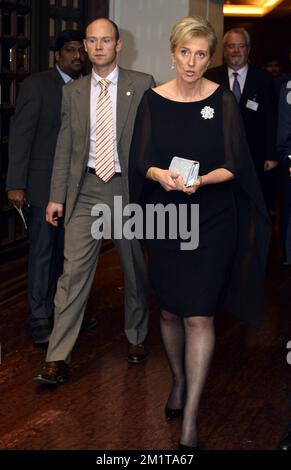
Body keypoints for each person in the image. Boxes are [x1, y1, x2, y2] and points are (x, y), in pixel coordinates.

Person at [129, 16, 270, 450]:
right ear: (173, 53)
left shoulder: (222, 100)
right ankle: (177, 381)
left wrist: (203, 180)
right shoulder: (152, 101)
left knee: (200, 314)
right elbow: (142, 160)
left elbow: (235, 163)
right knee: (170, 311)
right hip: (167, 218)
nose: (192, 62)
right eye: (185, 52)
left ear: (210, 58)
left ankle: (190, 416)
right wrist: (162, 175)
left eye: (201, 54)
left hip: (211, 219)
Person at [33, 18, 155, 385]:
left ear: (119, 45)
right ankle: (57, 356)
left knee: (133, 269)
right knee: (72, 275)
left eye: (106, 40)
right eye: (92, 41)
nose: (99, 47)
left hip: (125, 190)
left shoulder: (142, 84)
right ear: (85, 46)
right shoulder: (73, 92)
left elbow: (153, 142)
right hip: (84, 190)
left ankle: (136, 337)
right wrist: (56, 197)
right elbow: (64, 148)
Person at [6, 29, 86, 344]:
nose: (77, 56)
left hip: (77, 188)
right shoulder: (37, 85)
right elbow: (21, 135)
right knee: (42, 252)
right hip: (41, 186)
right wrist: (15, 184)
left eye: (81, 50)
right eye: (70, 50)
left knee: (71, 255)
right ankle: (39, 316)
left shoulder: (89, 87)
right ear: (57, 55)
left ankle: (64, 311)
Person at [205, 28, 277, 208]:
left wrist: (271, 155)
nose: (236, 50)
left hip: (255, 154)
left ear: (248, 49)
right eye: (231, 46)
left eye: (241, 46)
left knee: (252, 204)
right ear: (224, 50)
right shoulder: (210, 77)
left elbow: (271, 119)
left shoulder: (264, 79)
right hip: (218, 154)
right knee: (222, 203)